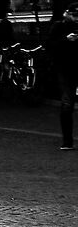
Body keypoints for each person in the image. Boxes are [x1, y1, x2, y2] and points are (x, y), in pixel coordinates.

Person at [45, 10, 78, 150]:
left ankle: (67, 141)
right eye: (75, 15)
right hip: (65, 69)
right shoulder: (58, 26)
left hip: (71, 68)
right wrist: (66, 39)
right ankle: (67, 141)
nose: (76, 19)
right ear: (67, 14)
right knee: (67, 103)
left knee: (67, 103)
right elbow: (49, 45)